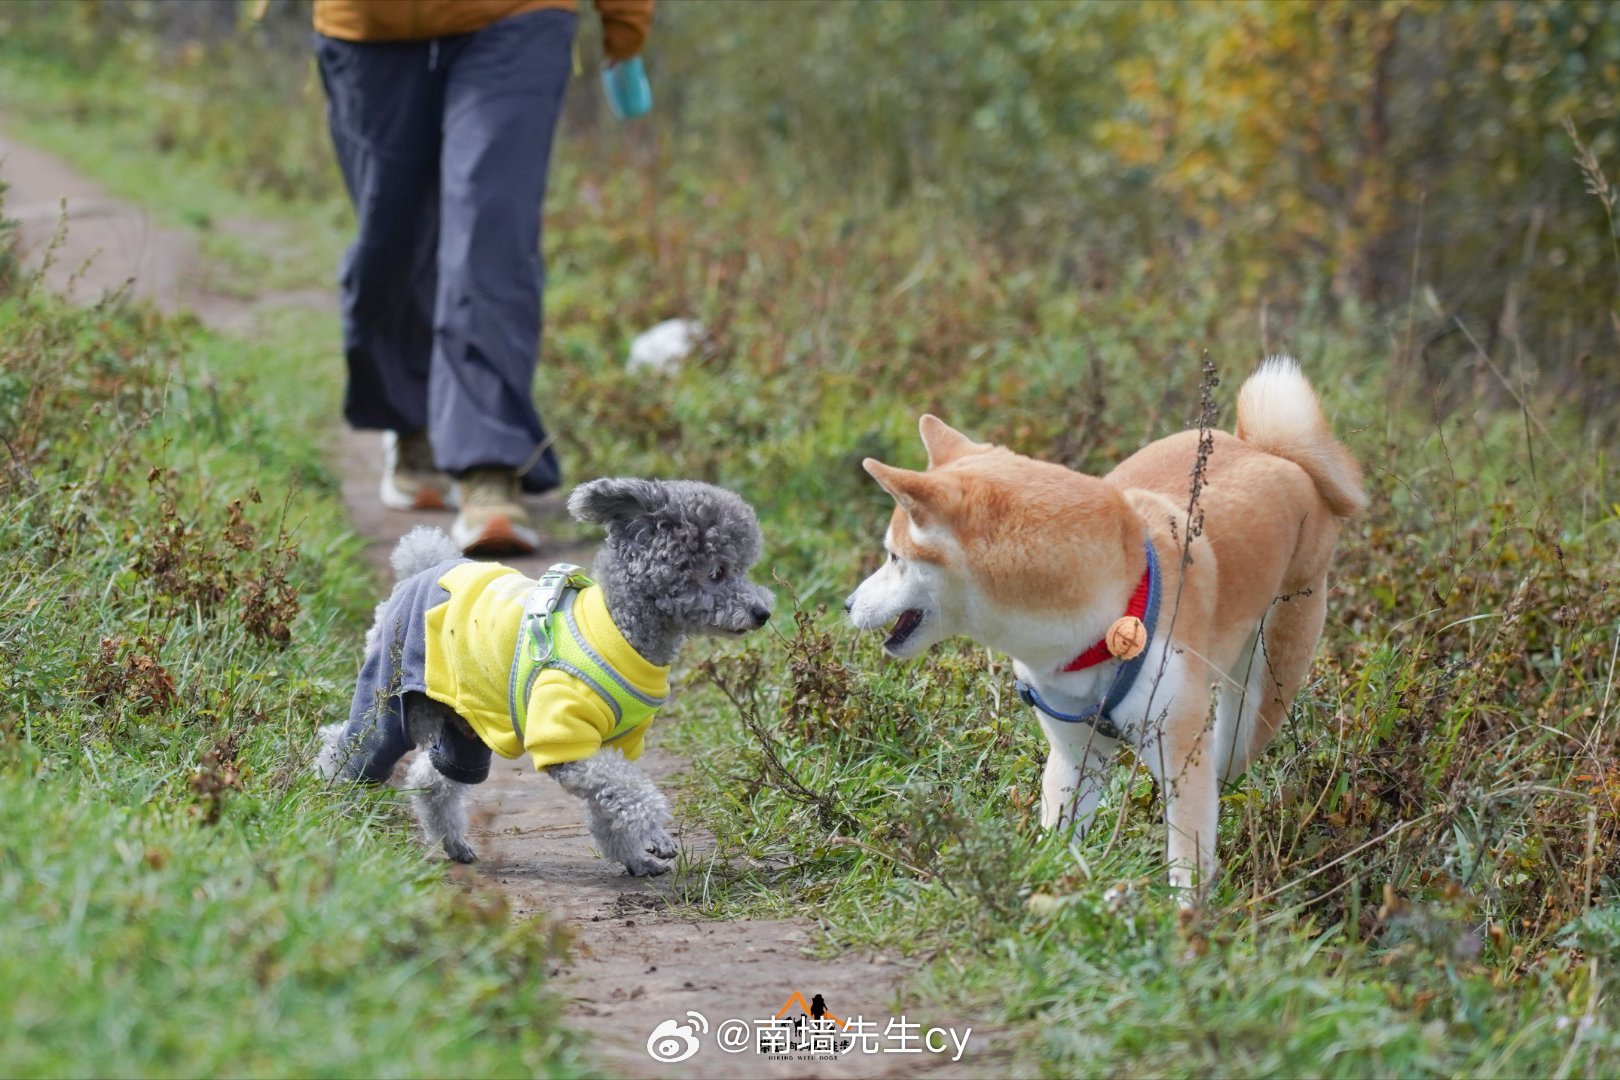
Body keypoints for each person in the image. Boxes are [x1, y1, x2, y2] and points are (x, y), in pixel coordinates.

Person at [312, 0, 655, 554]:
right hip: (368, 28)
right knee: (390, 246)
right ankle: (412, 418)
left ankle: (488, 464)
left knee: (490, 233)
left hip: (517, 17)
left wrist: (625, 23)